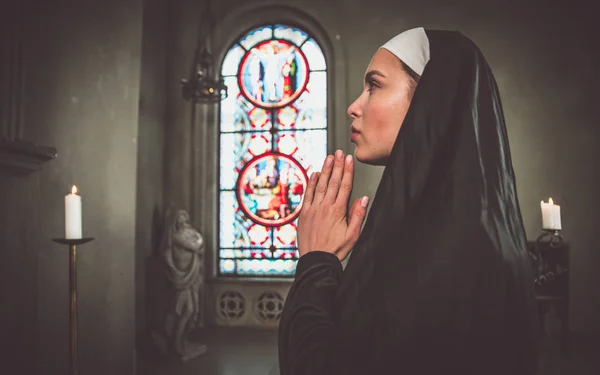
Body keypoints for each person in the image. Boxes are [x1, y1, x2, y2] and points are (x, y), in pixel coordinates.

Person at [278, 27, 538, 375]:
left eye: (374, 85)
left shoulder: (456, 255)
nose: (354, 107)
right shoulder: (453, 231)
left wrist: (315, 264)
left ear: (432, 99)